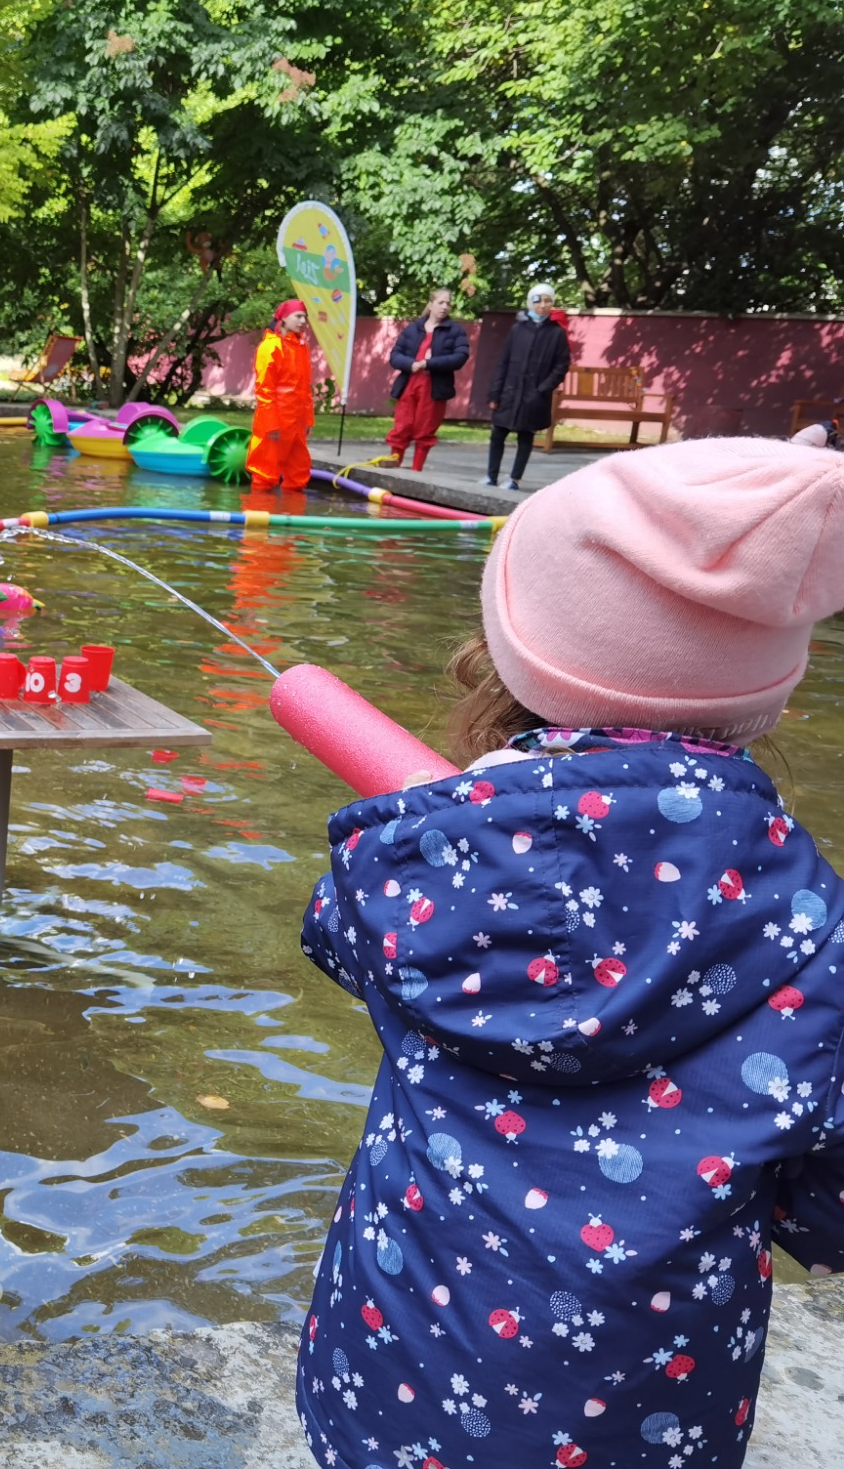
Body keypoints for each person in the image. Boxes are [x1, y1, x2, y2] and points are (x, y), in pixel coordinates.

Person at [295, 438, 844, 1469]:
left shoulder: (419, 864)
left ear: (513, 655)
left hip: (391, 1377)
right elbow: (827, 1202)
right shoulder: (815, 931)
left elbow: (339, 938)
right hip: (639, 1416)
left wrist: (470, 811)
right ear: (768, 688)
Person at [483, 284, 571, 490]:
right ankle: (491, 476)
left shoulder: (556, 333)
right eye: (538, 300)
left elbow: (562, 365)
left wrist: (543, 389)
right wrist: (495, 392)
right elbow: (504, 361)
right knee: (498, 433)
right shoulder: (518, 328)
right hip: (510, 392)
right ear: (530, 302)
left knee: (526, 435)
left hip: (535, 395)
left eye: (548, 300)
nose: (543, 305)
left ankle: (514, 479)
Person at [376, 288, 470, 473]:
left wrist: (430, 364)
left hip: (434, 387)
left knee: (425, 428)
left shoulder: (455, 331)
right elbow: (395, 355)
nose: (444, 307)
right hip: (409, 384)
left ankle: (416, 471)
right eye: (441, 302)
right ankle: (394, 466)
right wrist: (410, 364)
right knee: (402, 425)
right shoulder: (413, 329)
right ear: (431, 304)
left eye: (448, 303)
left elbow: (460, 357)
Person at [247, 301, 314, 490]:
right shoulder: (270, 347)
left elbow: (305, 388)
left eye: (305, 317)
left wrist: (307, 420)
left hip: (297, 423)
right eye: (298, 316)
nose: (303, 321)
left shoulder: (301, 346)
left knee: (299, 474)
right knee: (264, 473)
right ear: (283, 318)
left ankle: (293, 515)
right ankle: (259, 512)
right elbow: (264, 389)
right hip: (275, 421)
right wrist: (271, 423)